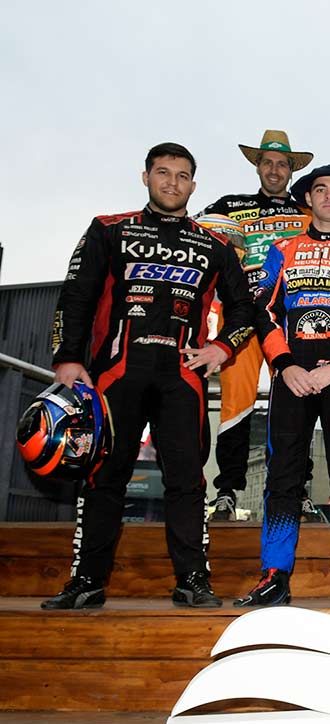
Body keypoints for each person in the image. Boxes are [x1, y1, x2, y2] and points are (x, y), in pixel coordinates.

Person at [42, 142, 255, 610]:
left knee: (188, 480)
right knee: (103, 476)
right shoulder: (109, 230)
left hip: (182, 375)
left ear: (193, 186)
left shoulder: (216, 245)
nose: (172, 183)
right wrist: (67, 357)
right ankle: (87, 580)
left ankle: (193, 579)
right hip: (117, 373)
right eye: (163, 173)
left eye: (182, 176)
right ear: (146, 177)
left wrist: (222, 348)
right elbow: (76, 296)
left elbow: (245, 309)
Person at [235, 165, 330, 607]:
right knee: (282, 476)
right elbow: (262, 310)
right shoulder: (282, 250)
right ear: (309, 198)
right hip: (291, 374)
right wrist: (284, 364)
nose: (329, 197)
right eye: (321, 189)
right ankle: (274, 575)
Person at [204, 130, 314, 521]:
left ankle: (298, 489)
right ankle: (227, 492)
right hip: (241, 314)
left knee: (296, 402)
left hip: (288, 318)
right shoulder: (229, 206)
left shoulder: (306, 212)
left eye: (282, 164)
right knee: (236, 403)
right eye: (267, 162)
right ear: (258, 166)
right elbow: (198, 234)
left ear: (291, 170)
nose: (274, 170)